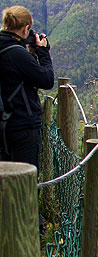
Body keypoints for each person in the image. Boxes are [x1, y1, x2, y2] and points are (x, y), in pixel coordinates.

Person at [0, 5, 54, 170]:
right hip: (22, 125)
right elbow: (46, 80)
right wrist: (43, 52)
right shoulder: (17, 54)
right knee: (26, 181)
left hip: (3, 124)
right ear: (25, 29)